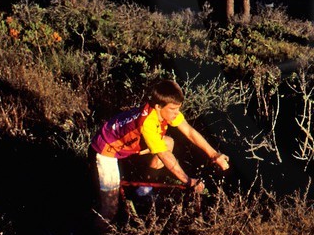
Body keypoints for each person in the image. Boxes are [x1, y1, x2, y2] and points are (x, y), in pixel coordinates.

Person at [91, 76, 231, 227]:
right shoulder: (148, 123)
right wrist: (188, 181)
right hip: (106, 151)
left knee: (168, 142)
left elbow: (189, 132)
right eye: (173, 109)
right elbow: (164, 155)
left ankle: (144, 190)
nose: (177, 113)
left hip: (127, 146)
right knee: (110, 209)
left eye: (178, 108)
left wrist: (214, 154)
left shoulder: (165, 112)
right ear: (158, 106)